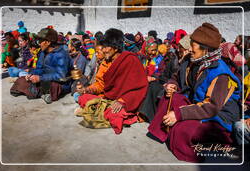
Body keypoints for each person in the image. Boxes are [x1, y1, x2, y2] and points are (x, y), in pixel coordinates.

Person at [148, 23, 242, 163]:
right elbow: (175, 77)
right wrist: (171, 85)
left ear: (206, 49)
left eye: (193, 45)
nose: (189, 49)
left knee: (183, 130)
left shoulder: (221, 74)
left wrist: (180, 114)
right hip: (196, 104)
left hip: (218, 117)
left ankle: (217, 142)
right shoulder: (191, 60)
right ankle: (167, 131)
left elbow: (211, 107)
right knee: (170, 98)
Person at [76, 28, 148, 134]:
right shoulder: (106, 62)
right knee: (83, 98)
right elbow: (100, 85)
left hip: (126, 101)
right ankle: (101, 108)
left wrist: (123, 101)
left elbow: (140, 87)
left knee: (114, 114)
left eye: (106, 47)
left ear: (115, 48)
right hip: (108, 98)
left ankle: (105, 111)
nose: (103, 50)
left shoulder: (130, 60)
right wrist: (86, 90)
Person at [22, 28, 71, 103]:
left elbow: (61, 76)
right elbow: (40, 68)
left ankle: (43, 93)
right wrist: (32, 73)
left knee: (51, 86)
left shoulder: (61, 54)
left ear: (48, 42)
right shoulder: (43, 52)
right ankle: (42, 94)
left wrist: (40, 78)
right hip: (45, 78)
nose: (39, 44)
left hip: (60, 83)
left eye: (40, 41)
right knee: (22, 80)